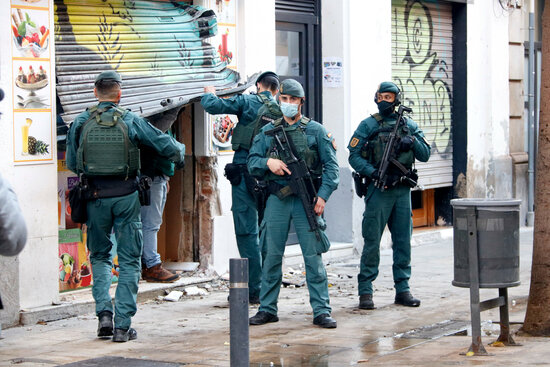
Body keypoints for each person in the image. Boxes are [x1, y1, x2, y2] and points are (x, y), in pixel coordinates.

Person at [66, 71, 185, 342]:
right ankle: (122, 326)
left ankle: (104, 316)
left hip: (94, 198)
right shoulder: (131, 120)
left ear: (95, 92)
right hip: (127, 197)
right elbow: (168, 146)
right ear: (119, 94)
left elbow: (73, 164)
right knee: (130, 259)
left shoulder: (81, 122)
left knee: (99, 257)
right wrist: (179, 155)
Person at [247, 79, 339, 328]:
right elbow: (252, 162)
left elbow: (331, 168)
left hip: (306, 201)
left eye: (293, 100)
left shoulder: (316, 131)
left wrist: (323, 196)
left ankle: (321, 310)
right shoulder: (268, 131)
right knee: (271, 255)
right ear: (280, 100)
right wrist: (269, 163)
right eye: (284, 99)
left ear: (301, 102)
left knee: (313, 257)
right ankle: (267, 308)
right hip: (278, 199)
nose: (288, 104)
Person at [347, 81, 431, 310]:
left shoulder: (409, 125)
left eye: (389, 97)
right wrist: (372, 172)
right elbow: (353, 155)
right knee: (372, 241)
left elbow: (425, 154)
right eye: (381, 96)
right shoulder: (368, 125)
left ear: (397, 99)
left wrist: (412, 141)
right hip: (378, 190)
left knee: (403, 241)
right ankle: (365, 291)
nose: (384, 101)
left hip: (401, 191)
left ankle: (403, 289)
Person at [201, 71, 280, 304]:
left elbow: (213, 106)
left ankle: (253, 289)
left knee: (247, 232)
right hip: (271, 177)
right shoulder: (284, 110)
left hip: (245, 174)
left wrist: (209, 92)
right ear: (276, 89)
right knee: (268, 232)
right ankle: (268, 289)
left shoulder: (248, 101)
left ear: (258, 86)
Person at [139, 131, 180, 283]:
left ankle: (148, 263)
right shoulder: (156, 120)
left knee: (151, 223)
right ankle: (152, 266)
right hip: (152, 178)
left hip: (158, 177)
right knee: (150, 224)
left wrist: (165, 178)